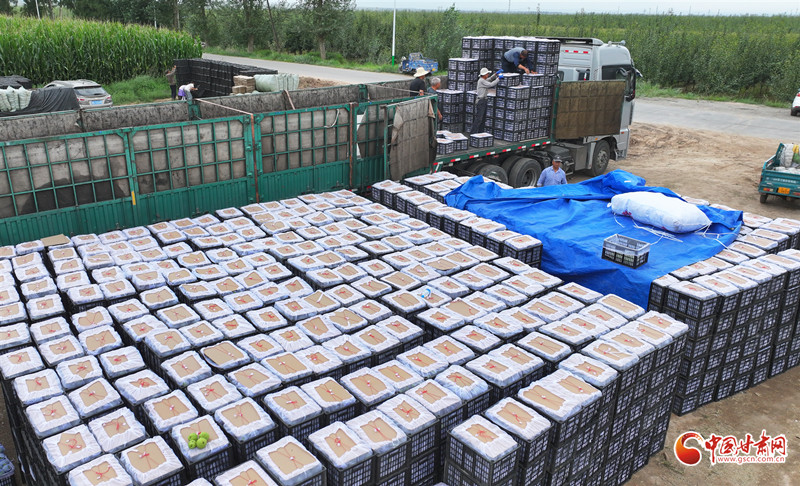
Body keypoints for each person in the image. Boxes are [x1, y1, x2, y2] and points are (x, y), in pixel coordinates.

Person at [470, 67, 500, 133]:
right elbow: (491, 84)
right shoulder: (481, 81)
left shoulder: (483, 80)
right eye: (487, 74)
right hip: (481, 101)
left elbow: (490, 79)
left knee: (483, 119)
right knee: (479, 119)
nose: (488, 75)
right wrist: (498, 79)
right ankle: (473, 133)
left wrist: (495, 74)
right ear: (484, 75)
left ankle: (480, 133)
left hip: (484, 101)